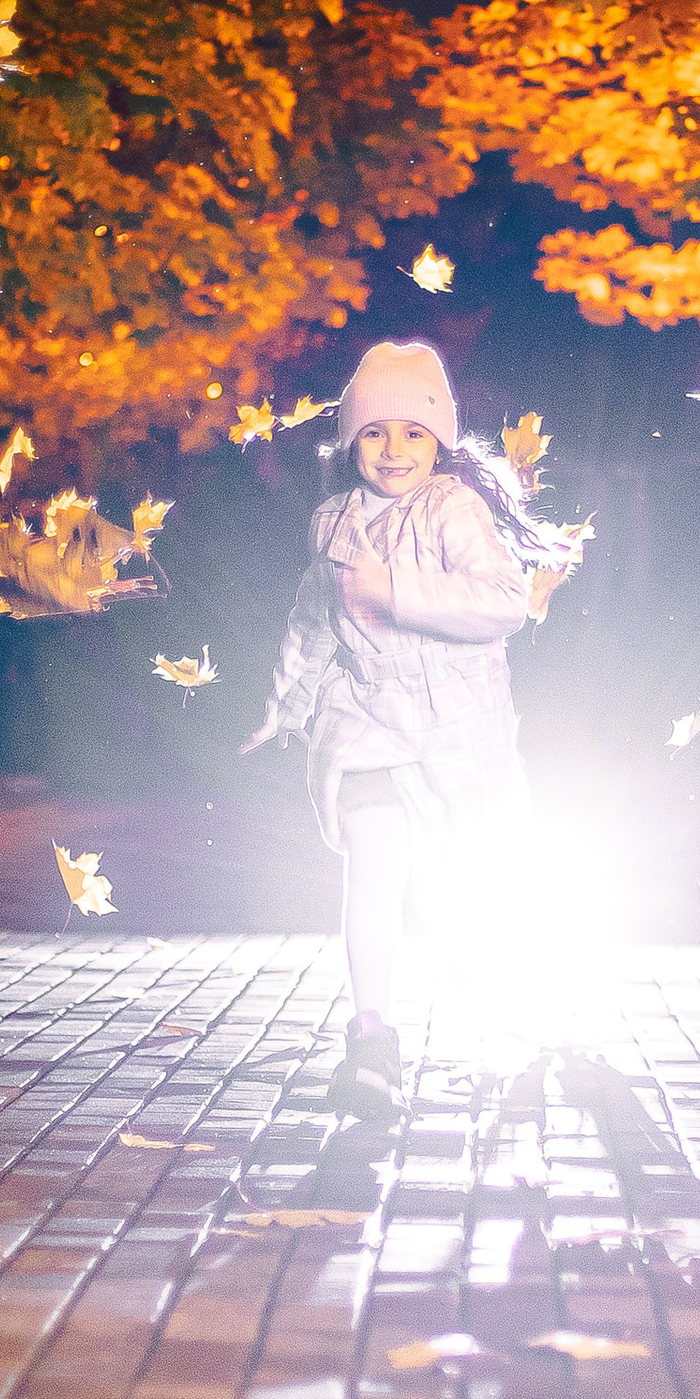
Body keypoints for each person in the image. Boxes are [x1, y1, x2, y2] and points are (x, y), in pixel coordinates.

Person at [243, 339, 546, 1113]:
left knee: (459, 890)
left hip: (458, 729)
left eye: (413, 431)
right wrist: (286, 703)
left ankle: (500, 1021)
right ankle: (372, 1035)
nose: (393, 449)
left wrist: (398, 592)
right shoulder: (331, 522)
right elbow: (313, 621)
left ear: (440, 439)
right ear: (350, 441)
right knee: (373, 867)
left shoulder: (454, 508)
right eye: (375, 432)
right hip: (366, 718)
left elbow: (503, 603)